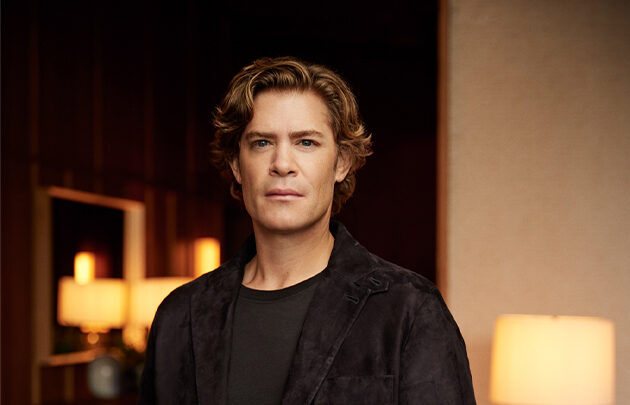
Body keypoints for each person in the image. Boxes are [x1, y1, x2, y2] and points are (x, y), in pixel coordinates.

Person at [139, 56, 476, 404]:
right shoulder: (180, 315)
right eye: (262, 142)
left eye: (306, 142)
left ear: (341, 163)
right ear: (237, 165)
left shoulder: (409, 308)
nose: (282, 164)